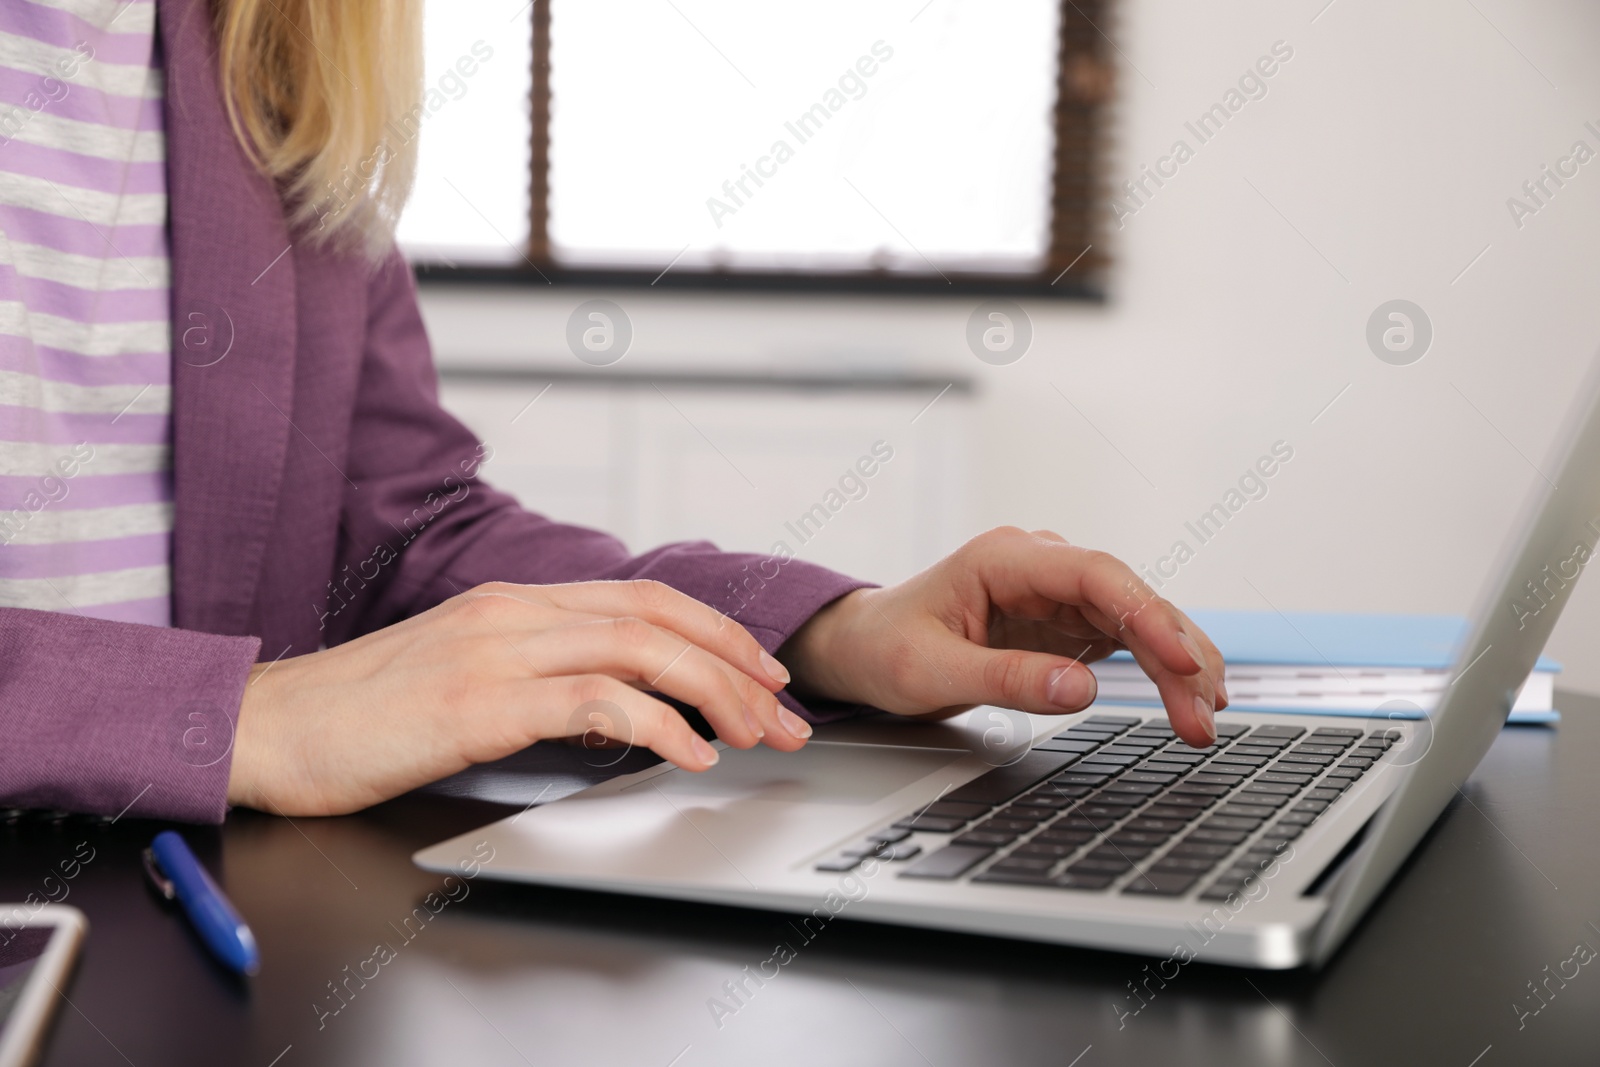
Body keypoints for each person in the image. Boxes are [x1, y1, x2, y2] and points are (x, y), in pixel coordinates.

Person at [0, 0, 1226, 824]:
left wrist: (825, 632)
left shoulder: (273, 54)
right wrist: (238, 714)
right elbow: (288, 700)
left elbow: (399, 538)